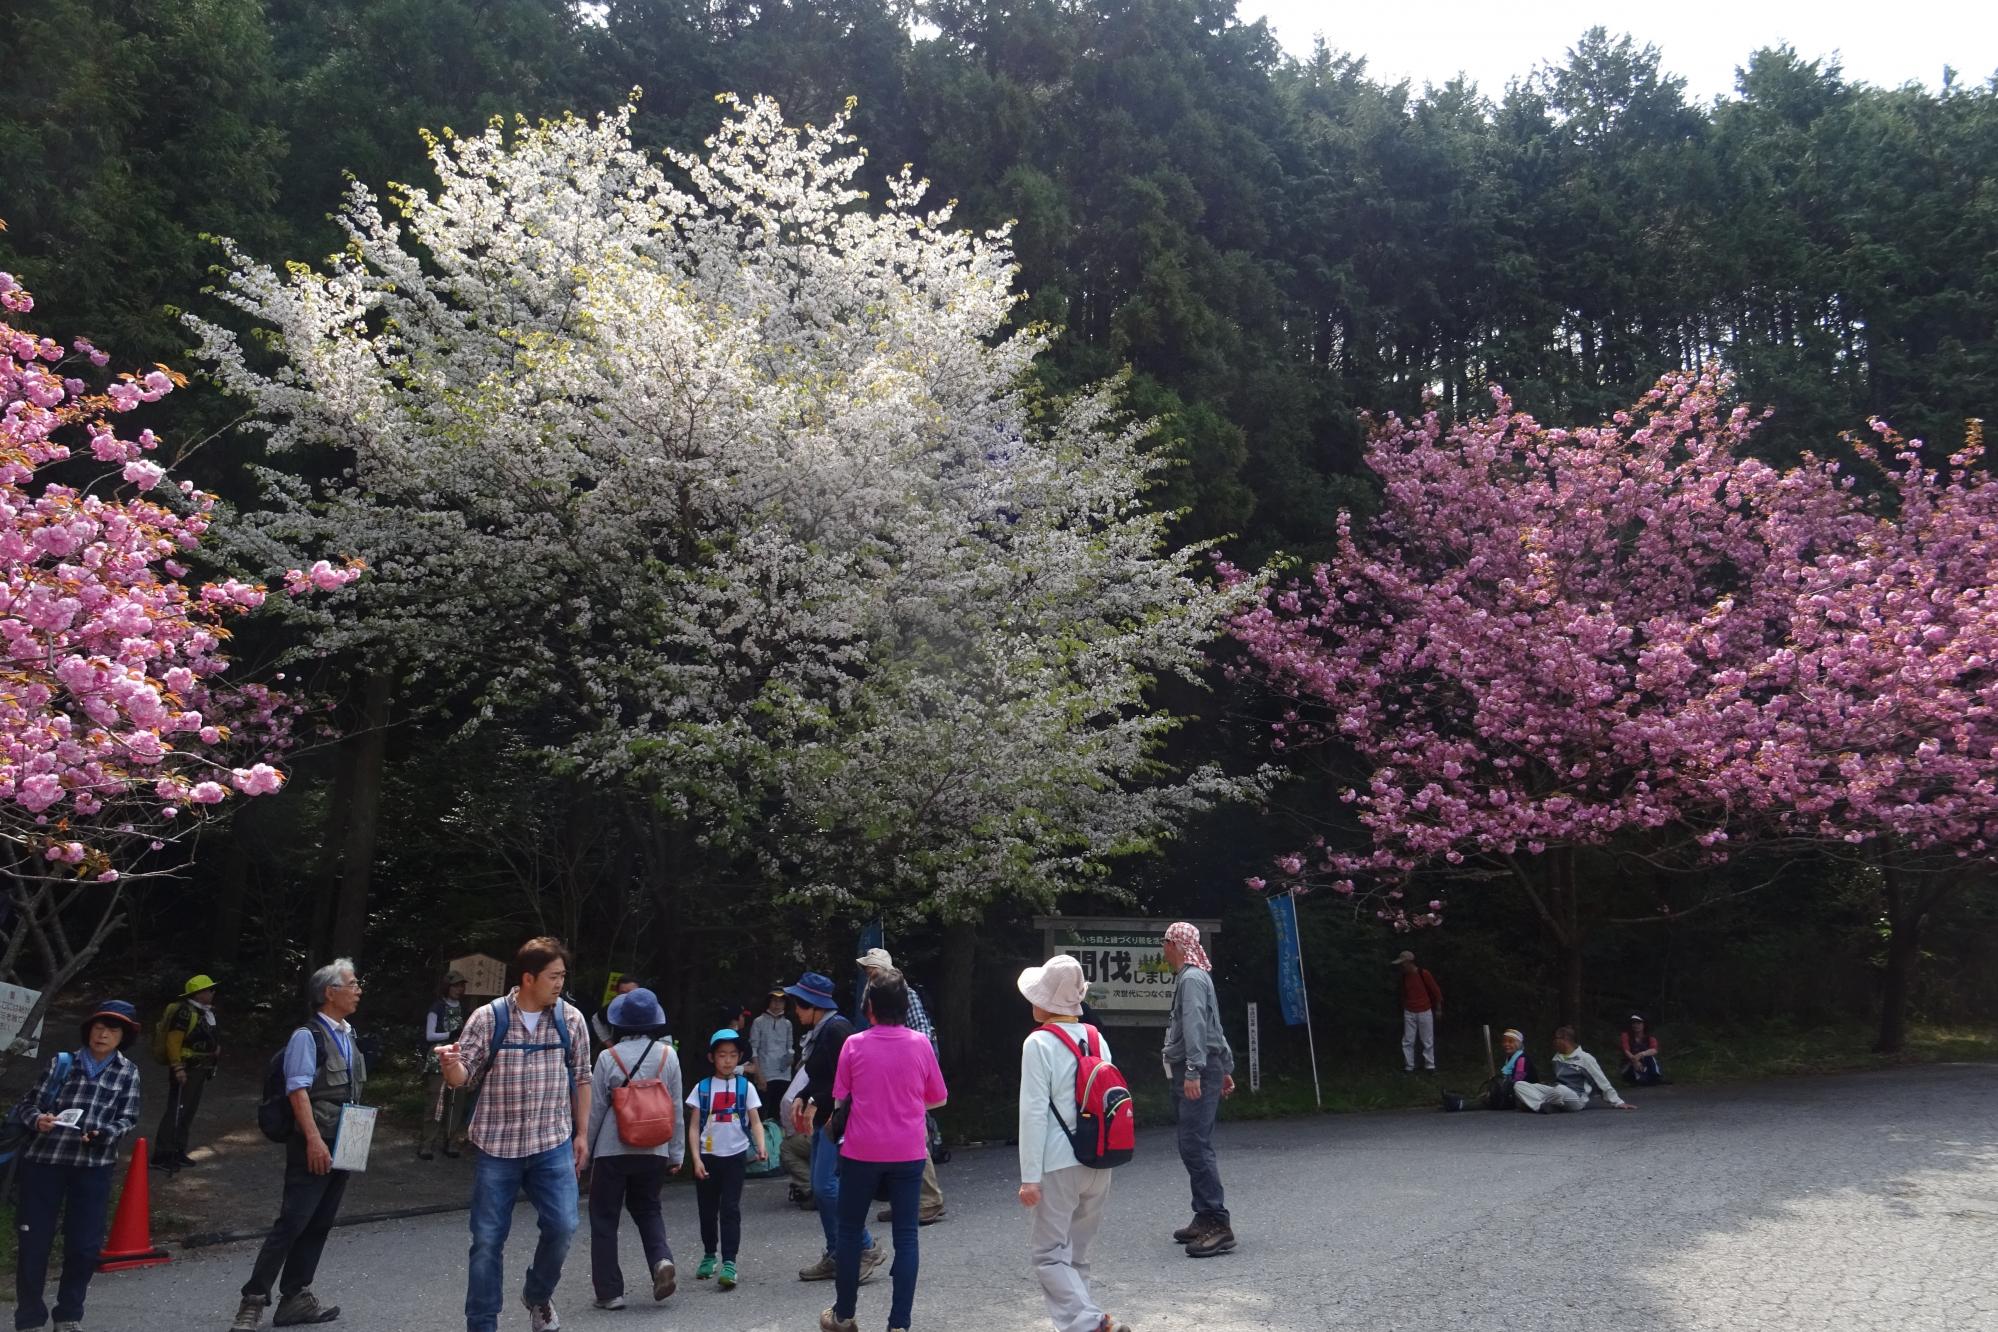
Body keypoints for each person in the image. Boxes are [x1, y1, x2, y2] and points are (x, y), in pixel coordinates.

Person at [437, 937, 593, 1332]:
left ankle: (537, 1294)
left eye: (562, 975)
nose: (560, 983)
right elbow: (462, 1077)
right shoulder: (489, 1019)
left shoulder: (570, 1019)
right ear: (528, 978)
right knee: (487, 1241)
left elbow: (583, 1078)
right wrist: (450, 1065)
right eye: (553, 976)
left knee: (563, 1227)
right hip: (497, 1147)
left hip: (552, 1143)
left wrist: (582, 1134)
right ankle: (482, 1323)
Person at [231, 960, 367, 1331]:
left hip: (345, 1140)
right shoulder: (307, 1037)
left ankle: (296, 1298)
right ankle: (253, 1299)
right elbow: (298, 1091)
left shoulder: (348, 1033)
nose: (358, 990)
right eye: (352, 984)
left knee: (319, 1222)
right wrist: (311, 1141)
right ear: (329, 992)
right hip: (317, 1140)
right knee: (293, 1221)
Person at [819, 972, 948, 1332]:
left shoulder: (854, 1045)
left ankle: (844, 1315)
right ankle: (899, 1325)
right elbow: (938, 1097)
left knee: (848, 1232)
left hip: (861, 1151)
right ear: (905, 1006)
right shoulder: (920, 1044)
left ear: (869, 1006)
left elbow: (841, 1098)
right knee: (907, 1235)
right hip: (908, 1151)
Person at [10, 998, 143, 1332]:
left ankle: (68, 1314)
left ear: (123, 1037)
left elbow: (128, 1117)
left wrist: (104, 1134)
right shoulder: (62, 1063)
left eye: (112, 1029)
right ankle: (29, 1319)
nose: (103, 1034)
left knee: (84, 1246)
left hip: (93, 1165)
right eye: (98, 1027)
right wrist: (39, 1119)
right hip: (45, 1162)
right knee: (34, 1243)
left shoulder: (128, 1072)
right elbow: (27, 1104)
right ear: (89, 1030)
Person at [1015, 955, 1131, 1332]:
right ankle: (1086, 1325)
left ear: (1045, 1001)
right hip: (1099, 1159)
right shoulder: (1098, 1039)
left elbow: (1033, 1112)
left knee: (1049, 1256)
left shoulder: (1039, 1043)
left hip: (1057, 1162)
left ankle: (1092, 1322)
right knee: (1077, 1256)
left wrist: (1030, 1177)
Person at [783, 970, 884, 1284]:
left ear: (813, 1005)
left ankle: (865, 1245)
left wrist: (815, 1098)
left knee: (826, 1186)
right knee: (819, 1185)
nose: (795, 1011)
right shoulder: (821, 1030)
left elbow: (851, 1079)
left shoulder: (836, 1029)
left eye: (798, 1005)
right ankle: (836, 1253)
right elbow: (822, 1077)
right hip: (824, 1117)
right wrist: (803, 1095)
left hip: (838, 1120)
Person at [585, 985, 681, 1311]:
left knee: (604, 1217)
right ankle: (661, 1260)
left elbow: (596, 1109)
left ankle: (610, 1292)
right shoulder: (669, 1056)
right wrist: (677, 1152)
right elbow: (677, 1108)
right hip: (655, 1147)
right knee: (648, 1208)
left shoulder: (607, 1058)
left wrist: (584, 1150)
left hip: (612, 1150)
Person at [1162, 921, 1236, 1258]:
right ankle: (1204, 1215)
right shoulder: (1197, 977)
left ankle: (1217, 1222)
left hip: (1197, 1070)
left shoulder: (1191, 978)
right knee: (1193, 1142)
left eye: (1166, 942)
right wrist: (1225, 1067)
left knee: (1194, 1144)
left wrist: (1194, 1070)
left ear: (1176, 944)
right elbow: (1214, 1026)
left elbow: (1195, 1025)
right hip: (1209, 1067)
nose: (1163, 949)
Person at [857, 947, 945, 1224]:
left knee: (913, 1134)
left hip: (907, 1073)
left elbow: (922, 1034)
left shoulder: (905, 994)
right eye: (867, 971)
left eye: (872, 971)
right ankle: (906, 1201)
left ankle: (929, 1200)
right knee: (902, 1137)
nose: (868, 976)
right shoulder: (876, 994)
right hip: (893, 1071)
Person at [686, 1027, 767, 1290]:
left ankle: (729, 1262)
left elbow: (754, 1120)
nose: (728, 1060)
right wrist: (696, 1159)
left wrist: (761, 1144)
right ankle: (710, 1254)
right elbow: (694, 1126)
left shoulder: (746, 1086)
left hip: (736, 1157)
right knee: (707, 1211)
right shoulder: (703, 1087)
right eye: (722, 1055)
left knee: (730, 1209)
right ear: (712, 1057)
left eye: (733, 1055)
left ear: (740, 1057)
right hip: (708, 1157)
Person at [153, 972, 221, 1169]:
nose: (212, 993)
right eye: (209, 990)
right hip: (187, 1068)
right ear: (199, 993)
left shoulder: (205, 1013)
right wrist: (178, 1067)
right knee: (177, 1109)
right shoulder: (184, 1012)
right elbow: (173, 1040)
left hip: (200, 1068)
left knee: (188, 1111)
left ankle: (178, 1150)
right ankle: (162, 1154)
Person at [1513, 1027, 1638, 1113]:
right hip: (1557, 1092)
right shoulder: (1556, 1058)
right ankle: (1541, 1106)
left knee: (1560, 1090)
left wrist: (1617, 1102)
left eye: (1556, 1038)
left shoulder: (1585, 1058)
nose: (1554, 1042)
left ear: (1565, 1039)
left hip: (1576, 1098)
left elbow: (1601, 1081)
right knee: (1519, 1085)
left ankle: (1535, 1104)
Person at [419, 971, 470, 1160]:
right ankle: (426, 1144)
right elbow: (429, 1035)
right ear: (447, 987)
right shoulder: (437, 1007)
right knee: (435, 1102)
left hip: (459, 1056)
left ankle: (451, 1142)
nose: (459, 989)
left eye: (461, 985)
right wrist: (450, 1033)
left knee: (456, 1101)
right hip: (437, 1058)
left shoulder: (465, 1008)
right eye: (455, 985)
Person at [1394, 951, 1442, 1074]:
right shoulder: (1404, 976)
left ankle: (1430, 1066)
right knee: (1408, 1040)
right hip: (1409, 1011)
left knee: (1427, 1039)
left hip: (1424, 1010)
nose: (1401, 966)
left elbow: (1436, 991)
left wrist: (1438, 1008)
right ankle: (1409, 1066)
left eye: (1403, 963)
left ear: (1409, 962)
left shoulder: (1423, 973)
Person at [1487, 1028, 1536, 1109]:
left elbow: (1519, 1078)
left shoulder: (1521, 1058)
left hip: (1525, 1091)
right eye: (1504, 1041)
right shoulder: (1510, 1058)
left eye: (1510, 1042)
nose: (1506, 1044)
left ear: (1518, 1043)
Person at [591, 977, 643, 1048]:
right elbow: (596, 1018)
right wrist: (607, 1041)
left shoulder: (649, 1007)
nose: (628, 996)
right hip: (618, 1053)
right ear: (617, 993)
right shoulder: (614, 1007)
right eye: (623, 993)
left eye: (632, 993)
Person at [1620, 1015, 1665, 1085]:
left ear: (1644, 1025)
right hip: (1629, 1064)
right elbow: (1626, 1051)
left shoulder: (1650, 1037)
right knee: (1641, 1080)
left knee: (1650, 1056)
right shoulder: (1626, 1035)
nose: (1636, 1025)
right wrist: (1635, 1060)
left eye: (1639, 1023)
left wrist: (1641, 1054)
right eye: (1634, 1023)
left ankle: (1656, 1076)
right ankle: (1640, 1079)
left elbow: (1654, 1050)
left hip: (1644, 1063)